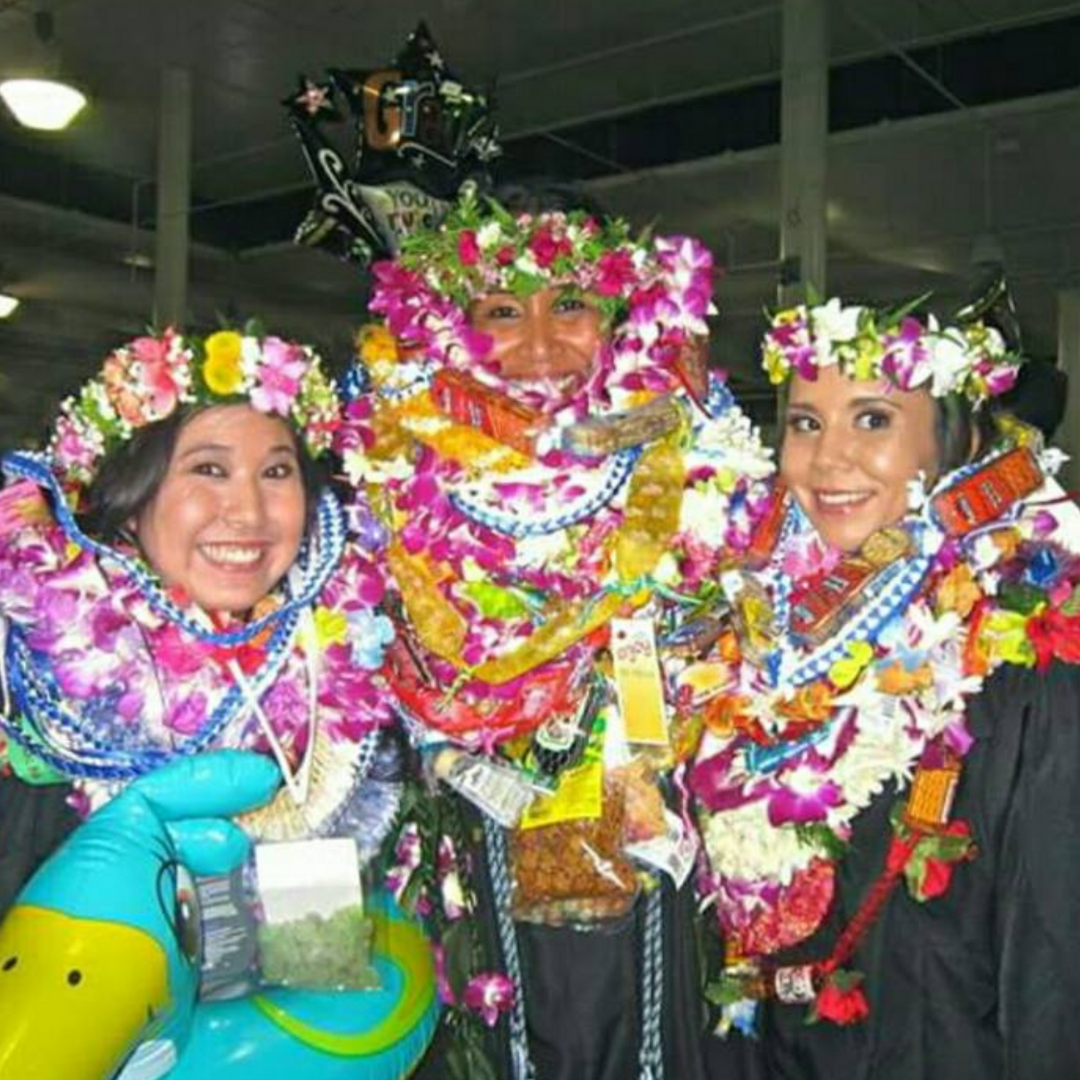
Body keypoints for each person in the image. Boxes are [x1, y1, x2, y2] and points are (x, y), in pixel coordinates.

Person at [337, 184, 774, 1080]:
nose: (539, 345)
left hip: (653, 835)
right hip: (469, 832)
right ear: (455, 324)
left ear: (619, 313)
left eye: (570, 304)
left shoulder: (696, 445)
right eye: (501, 310)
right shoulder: (386, 465)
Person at [0, 326, 437, 1078]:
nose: (250, 513)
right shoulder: (33, 673)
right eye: (208, 469)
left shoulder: (327, 677)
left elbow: (320, 969)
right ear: (129, 499)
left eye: (277, 472)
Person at [689, 298, 1080, 1079]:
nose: (829, 460)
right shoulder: (751, 623)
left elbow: (1052, 959)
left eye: (873, 421)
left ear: (957, 441)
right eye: (805, 424)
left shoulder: (1023, 648)